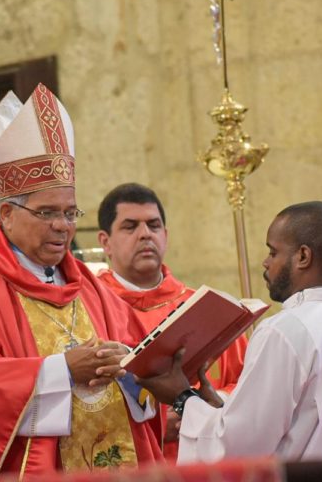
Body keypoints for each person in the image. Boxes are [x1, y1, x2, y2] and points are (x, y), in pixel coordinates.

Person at [0, 84, 162, 479]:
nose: (61, 227)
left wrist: (130, 372)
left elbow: (145, 377)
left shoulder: (94, 288)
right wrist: (62, 371)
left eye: (70, 213)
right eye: (47, 212)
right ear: (6, 215)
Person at [138, 201, 322, 482]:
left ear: (303, 256)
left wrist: (182, 397)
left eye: (273, 251)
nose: (266, 262)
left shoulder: (284, 331)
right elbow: (293, 426)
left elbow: (235, 450)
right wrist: (219, 406)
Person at [96, 182, 247, 460]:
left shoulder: (207, 309)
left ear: (165, 235)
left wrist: (199, 409)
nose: (145, 235)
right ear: (105, 242)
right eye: (130, 227)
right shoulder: (90, 310)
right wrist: (154, 421)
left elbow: (247, 384)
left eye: (153, 226)